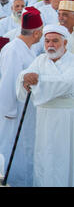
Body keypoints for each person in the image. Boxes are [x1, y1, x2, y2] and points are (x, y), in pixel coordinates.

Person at [0, 7, 43, 187]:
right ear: (36, 33)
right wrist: (9, 111)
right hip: (13, 110)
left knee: (24, 149)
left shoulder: (28, 48)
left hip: (25, 109)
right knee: (9, 148)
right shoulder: (13, 49)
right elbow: (8, 82)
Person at [16, 24, 74, 187]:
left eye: (55, 41)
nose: (50, 45)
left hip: (66, 119)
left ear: (65, 43)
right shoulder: (40, 60)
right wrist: (25, 77)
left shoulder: (72, 62)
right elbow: (24, 76)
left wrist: (38, 80)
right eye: (47, 41)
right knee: (44, 156)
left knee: (64, 158)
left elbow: (65, 83)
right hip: (44, 119)